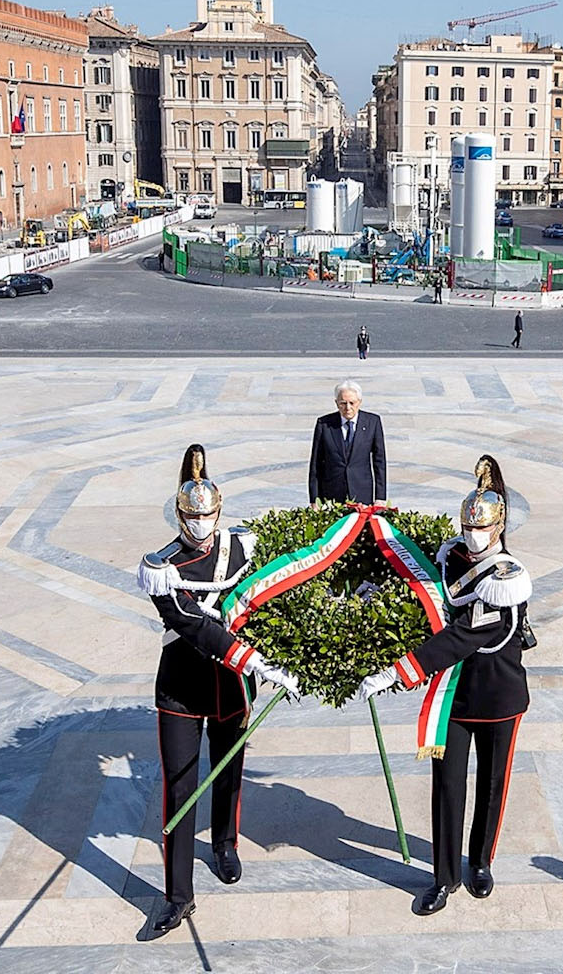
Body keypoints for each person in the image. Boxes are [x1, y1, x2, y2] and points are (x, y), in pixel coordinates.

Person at [136, 445, 301, 940]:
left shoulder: (242, 547)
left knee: (229, 767)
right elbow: (194, 628)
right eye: (193, 516)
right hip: (183, 688)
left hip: (229, 687)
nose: (203, 523)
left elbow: (282, 581)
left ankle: (225, 843)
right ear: (180, 516)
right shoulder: (160, 566)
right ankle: (177, 895)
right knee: (180, 785)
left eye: (209, 515)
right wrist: (256, 661)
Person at [361, 455, 531, 916]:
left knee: (491, 786)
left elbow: (460, 636)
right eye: (468, 527)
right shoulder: (449, 556)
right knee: (447, 787)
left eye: (483, 529)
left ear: (498, 530)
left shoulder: (506, 579)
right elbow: (427, 596)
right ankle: (443, 877)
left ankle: (479, 862)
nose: (474, 536)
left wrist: (397, 671)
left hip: (498, 697)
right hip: (454, 699)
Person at [308, 380, 387, 504]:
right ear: (336, 403)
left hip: (362, 493)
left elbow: (379, 462)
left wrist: (380, 497)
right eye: (343, 403)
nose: (348, 408)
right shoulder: (324, 424)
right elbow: (316, 464)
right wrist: (314, 499)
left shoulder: (373, 422)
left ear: (359, 402)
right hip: (332, 495)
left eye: (352, 403)